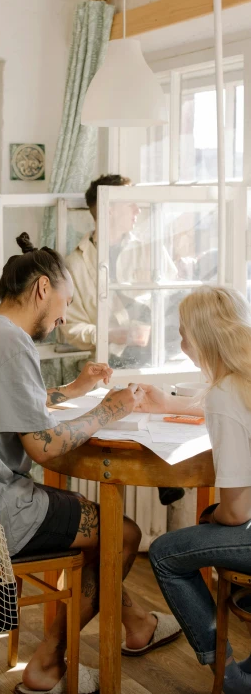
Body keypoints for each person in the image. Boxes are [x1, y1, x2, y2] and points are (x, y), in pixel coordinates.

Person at [0, 233, 181, 694]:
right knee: (122, 535)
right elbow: (42, 445)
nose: (64, 316)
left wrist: (74, 391)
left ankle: (137, 623)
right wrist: (109, 411)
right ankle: (47, 663)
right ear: (42, 288)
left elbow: (9, 404)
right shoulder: (11, 343)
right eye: (66, 301)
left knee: (89, 527)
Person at [144, 287, 251, 694]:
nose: (181, 341)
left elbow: (238, 513)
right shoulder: (241, 381)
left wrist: (211, 518)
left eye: (183, 332)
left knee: (165, 553)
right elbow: (220, 405)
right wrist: (164, 405)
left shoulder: (226, 395)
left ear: (204, 337)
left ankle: (228, 676)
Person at [59, 174, 183, 507]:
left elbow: (173, 297)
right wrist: (115, 334)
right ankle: (163, 478)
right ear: (109, 208)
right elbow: (68, 329)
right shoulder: (75, 264)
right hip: (108, 363)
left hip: (155, 356)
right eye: (131, 203)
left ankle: (164, 474)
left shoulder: (150, 251)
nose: (138, 211)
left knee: (151, 393)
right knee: (130, 393)